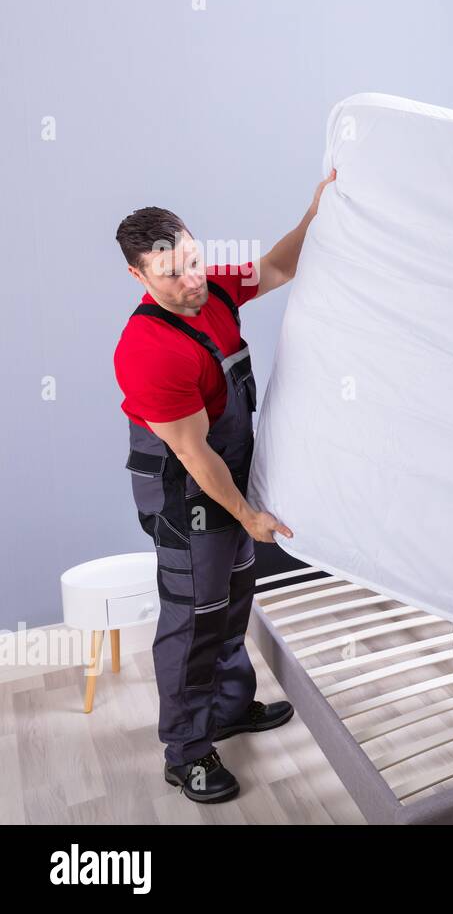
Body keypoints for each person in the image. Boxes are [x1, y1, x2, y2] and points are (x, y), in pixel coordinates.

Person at [112, 170, 335, 803]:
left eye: (193, 262)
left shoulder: (210, 290)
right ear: (138, 278)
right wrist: (250, 515)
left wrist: (316, 213)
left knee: (236, 597)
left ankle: (230, 708)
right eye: (170, 274)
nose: (190, 283)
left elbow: (276, 268)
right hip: (190, 494)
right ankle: (185, 753)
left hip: (228, 478)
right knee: (195, 620)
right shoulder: (148, 349)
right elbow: (192, 451)